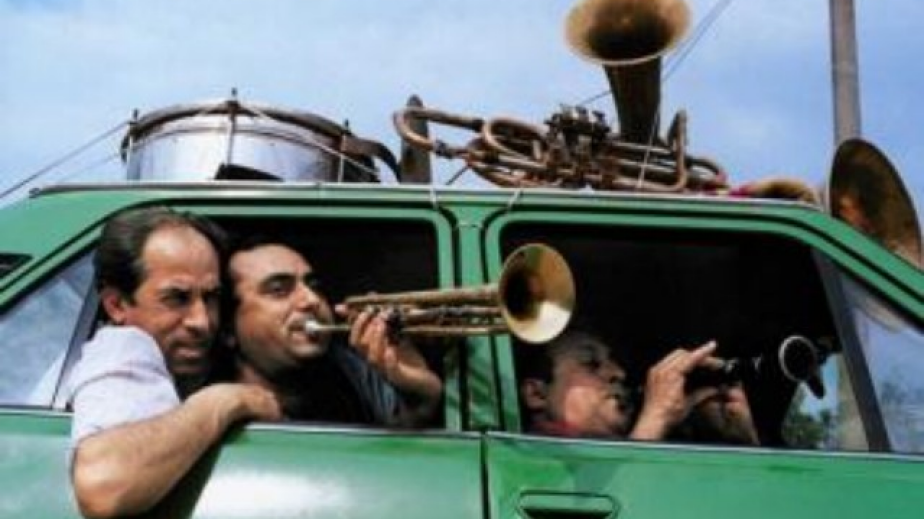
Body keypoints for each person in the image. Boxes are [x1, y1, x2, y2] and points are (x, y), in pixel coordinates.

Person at [67, 207, 282, 519]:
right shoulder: (122, 346)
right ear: (117, 305)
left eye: (210, 297)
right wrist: (226, 400)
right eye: (177, 298)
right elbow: (104, 486)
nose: (202, 322)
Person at [220, 237, 442, 427]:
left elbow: (401, 430)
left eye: (314, 286)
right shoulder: (211, 400)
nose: (312, 300)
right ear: (228, 327)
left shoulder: (347, 369)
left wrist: (419, 393)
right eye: (279, 290)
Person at [519, 329, 758, 444]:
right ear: (537, 394)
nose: (619, 373)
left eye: (614, 361)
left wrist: (742, 443)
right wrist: (656, 417)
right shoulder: (527, 458)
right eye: (591, 363)